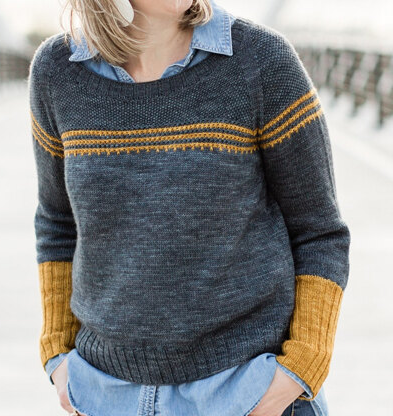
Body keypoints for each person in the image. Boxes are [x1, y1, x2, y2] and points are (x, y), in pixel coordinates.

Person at [29, 0, 350, 415]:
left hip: (246, 391)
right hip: (107, 395)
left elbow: (320, 231)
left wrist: (301, 367)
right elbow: (57, 223)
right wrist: (58, 354)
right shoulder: (57, 71)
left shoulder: (261, 61)